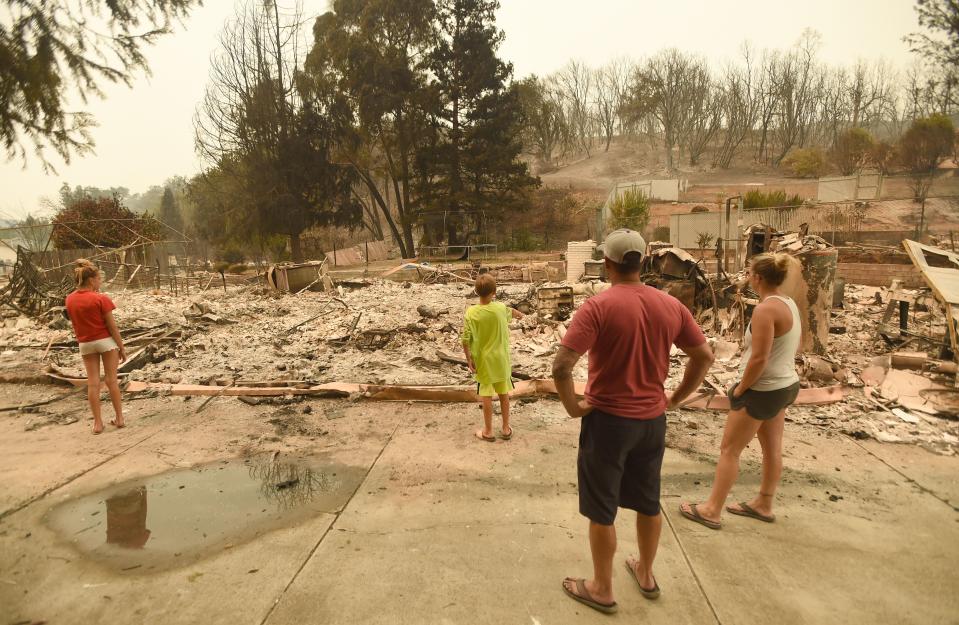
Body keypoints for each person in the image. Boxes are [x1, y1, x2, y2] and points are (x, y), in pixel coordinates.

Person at [552, 229, 714, 614]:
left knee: (601, 509)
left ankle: (602, 588)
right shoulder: (670, 305)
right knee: (648, 502)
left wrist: (573, 408)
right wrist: (675, 398)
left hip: (607, 422)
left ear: (606, 264)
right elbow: (703, 355)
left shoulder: (597, 306)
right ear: (642, 262)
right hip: (651, 423)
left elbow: (561, 365)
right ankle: (645, 572)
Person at [680, 252, 801, 529]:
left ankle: (711, 510)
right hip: (785, 385)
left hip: (762, 390)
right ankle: (764, 503)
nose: (748, 278)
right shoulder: (788, 303)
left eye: (749, 273)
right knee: (772, 450)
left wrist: (740, 389)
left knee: (729, 451)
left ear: (757, 278)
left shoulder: (764, 310)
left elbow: (759, 358)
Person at [65, 259, 127, 435]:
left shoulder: (69, 299)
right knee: (111, 381)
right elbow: (112, 327)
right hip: (106, 343)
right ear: (91, 280)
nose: (100, 282)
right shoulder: (101, 299)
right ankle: (120, 418)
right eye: (99, 279)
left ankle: (98, 424)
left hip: (85, 344)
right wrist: (121, 347)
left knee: (93, 384)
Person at [461, 273, 524, 442]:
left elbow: (465, 340)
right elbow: (514, 312)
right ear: (494, 292)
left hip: (483, 362)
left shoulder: (471, 313)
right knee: (504, 394)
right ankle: (505, 428)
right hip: (501, 362)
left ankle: (488, 431)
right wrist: (521, 315)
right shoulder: (500, 308)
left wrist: (469, 359)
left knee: (486, 396)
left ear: (476, 291)